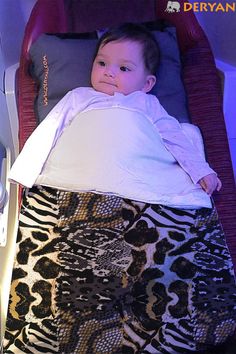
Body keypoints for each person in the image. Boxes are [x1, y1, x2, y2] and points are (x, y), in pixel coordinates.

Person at [3, 23, 236, 354]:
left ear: (148, 82)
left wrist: (201, 171)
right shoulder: (79, 97)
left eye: (124, 68)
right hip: (78, 183)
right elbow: (48, 132)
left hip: (146, 188)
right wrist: (24, 172)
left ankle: (160, 329)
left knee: (153, 262)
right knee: (81, 271)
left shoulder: (148, 106)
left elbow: (176, 139)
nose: (109, 73)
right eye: (102, 63)